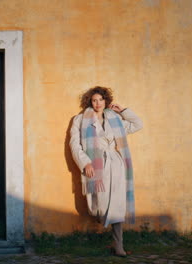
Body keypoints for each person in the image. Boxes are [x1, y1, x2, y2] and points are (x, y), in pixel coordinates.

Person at [69, 86, 143, 257]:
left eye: (101, 100)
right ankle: (102, 221)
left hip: (115, 163)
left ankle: (118, 246)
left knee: (117, 205)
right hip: (95, 165)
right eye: (94, 100)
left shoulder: (115, 119)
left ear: (106, 101)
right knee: (98, 207)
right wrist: (85, 163)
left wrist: (123, 110)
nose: (98, 103)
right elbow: (74, 145)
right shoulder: (80, 120)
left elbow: (138, 124)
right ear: (90, 101)